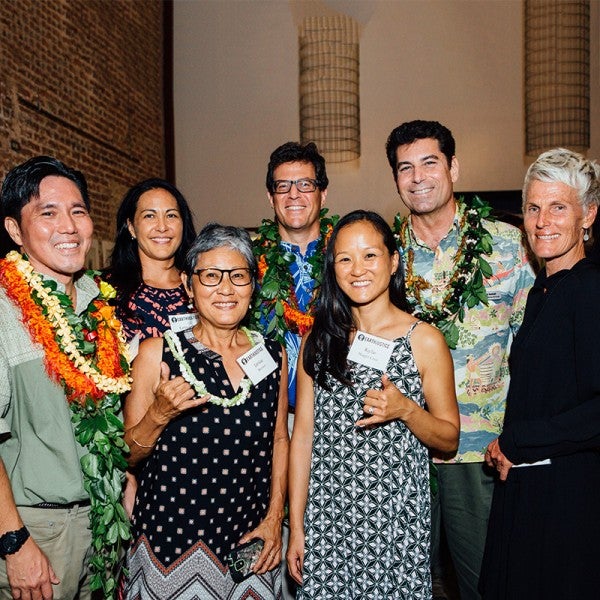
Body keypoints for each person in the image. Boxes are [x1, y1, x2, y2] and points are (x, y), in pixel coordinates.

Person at [385, 120, 535, 600]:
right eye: (405, 167)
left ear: (453, 166)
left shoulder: (508, 245)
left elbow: (533, 352)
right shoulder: (384, 257)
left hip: (481, 451)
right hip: (401, 452)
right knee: (406, 584)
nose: (418, 177)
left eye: (430, 162)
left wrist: (521, 437)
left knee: (484, 583)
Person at [287, 210, 460, 598]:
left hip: (393, 522)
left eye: (370, 255)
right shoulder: (319, 340)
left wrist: (406, 410)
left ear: (393, 261)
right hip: (327, 520)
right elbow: (302, 440)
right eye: (345, 258)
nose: (357, 269)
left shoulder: (424, 340)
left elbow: (449, 438)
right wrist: (296, 526)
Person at [124, 223, 289, 599]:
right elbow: (127, 454)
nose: (226, 289)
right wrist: (159, 414)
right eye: (211, 276)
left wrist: (274, 518)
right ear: (188, 284)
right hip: (171, 543)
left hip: (250, 543)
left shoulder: (272, 353)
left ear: (253, 285)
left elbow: (280, 439)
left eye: (238, 276)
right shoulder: (157, 353)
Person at [0, 156, 130, 599]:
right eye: (48, 213)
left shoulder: (101, 303)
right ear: (16, 231)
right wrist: (14, 542)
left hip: (103, 528)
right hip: (37, 531)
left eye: (78, 211)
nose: (69, 226)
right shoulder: (4, 310)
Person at [480, 148, 600, 599]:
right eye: (533, 207)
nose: (542, 221)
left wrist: (517, 442)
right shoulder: (542, 292)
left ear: (588, 215)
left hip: (569, 501)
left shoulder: (589, 289)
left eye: (558, 206)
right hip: (531, 486)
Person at [251, 141, 337, 599]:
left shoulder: (349, 254)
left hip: (338, 418)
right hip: (271, 421)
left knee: (330, 536)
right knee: (272, 539)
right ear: (270, 197)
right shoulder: (248, 261)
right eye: (282, 186)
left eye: (305, 184)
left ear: (323, 192)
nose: (294, 195)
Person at [107, 178, 197, 346]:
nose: (162, 227)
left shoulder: (201, 285)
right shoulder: (106, 290)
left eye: (171, 215)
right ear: (131, 227)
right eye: (150, 216)